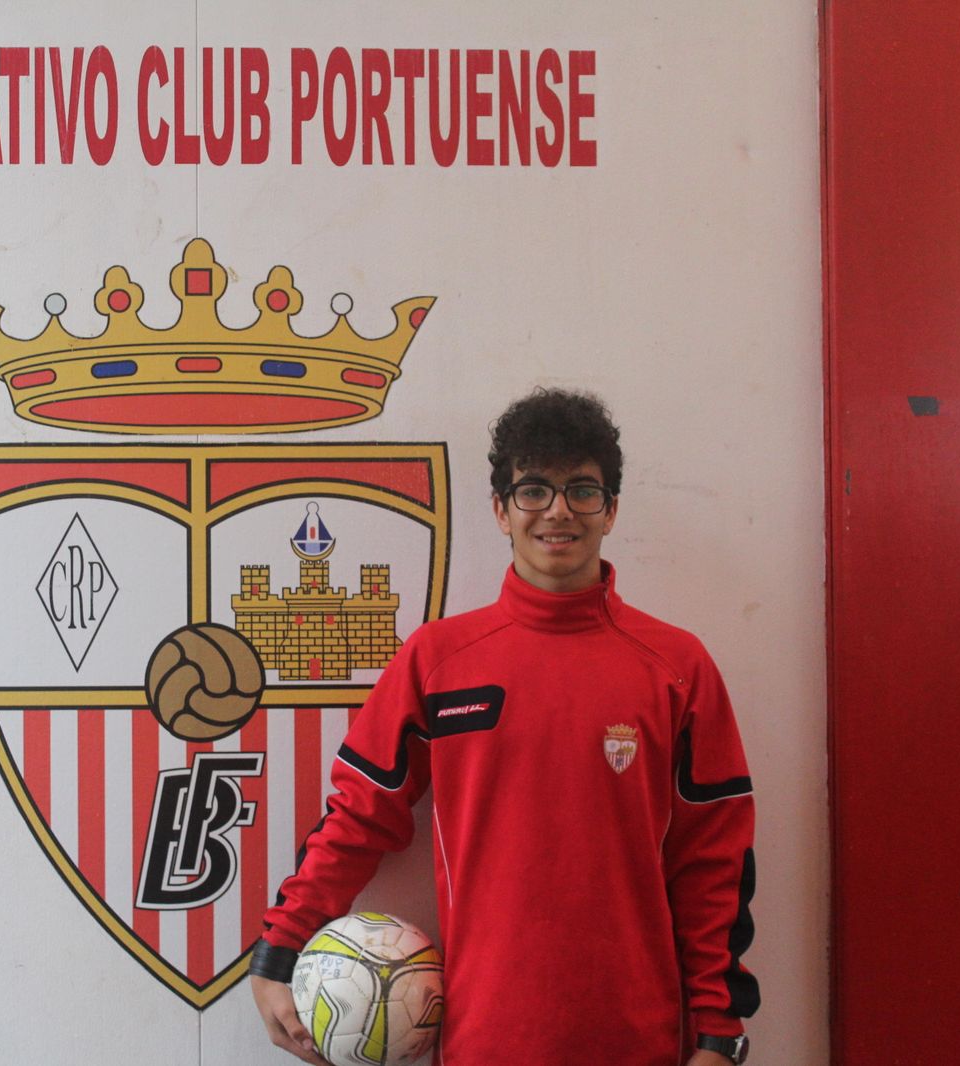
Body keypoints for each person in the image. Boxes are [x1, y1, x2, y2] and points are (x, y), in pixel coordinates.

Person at [249, 388, 758, 1065]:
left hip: (639, 1040)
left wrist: (719, 1033)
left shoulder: (677, 667)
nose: (558, 510)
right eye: (534, 489)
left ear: (610, 510)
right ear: (500, 509)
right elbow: (358, 816)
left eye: (582, 490)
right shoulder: (438, 660)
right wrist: (281, 948)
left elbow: (712, 863)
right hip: (483, 1039)